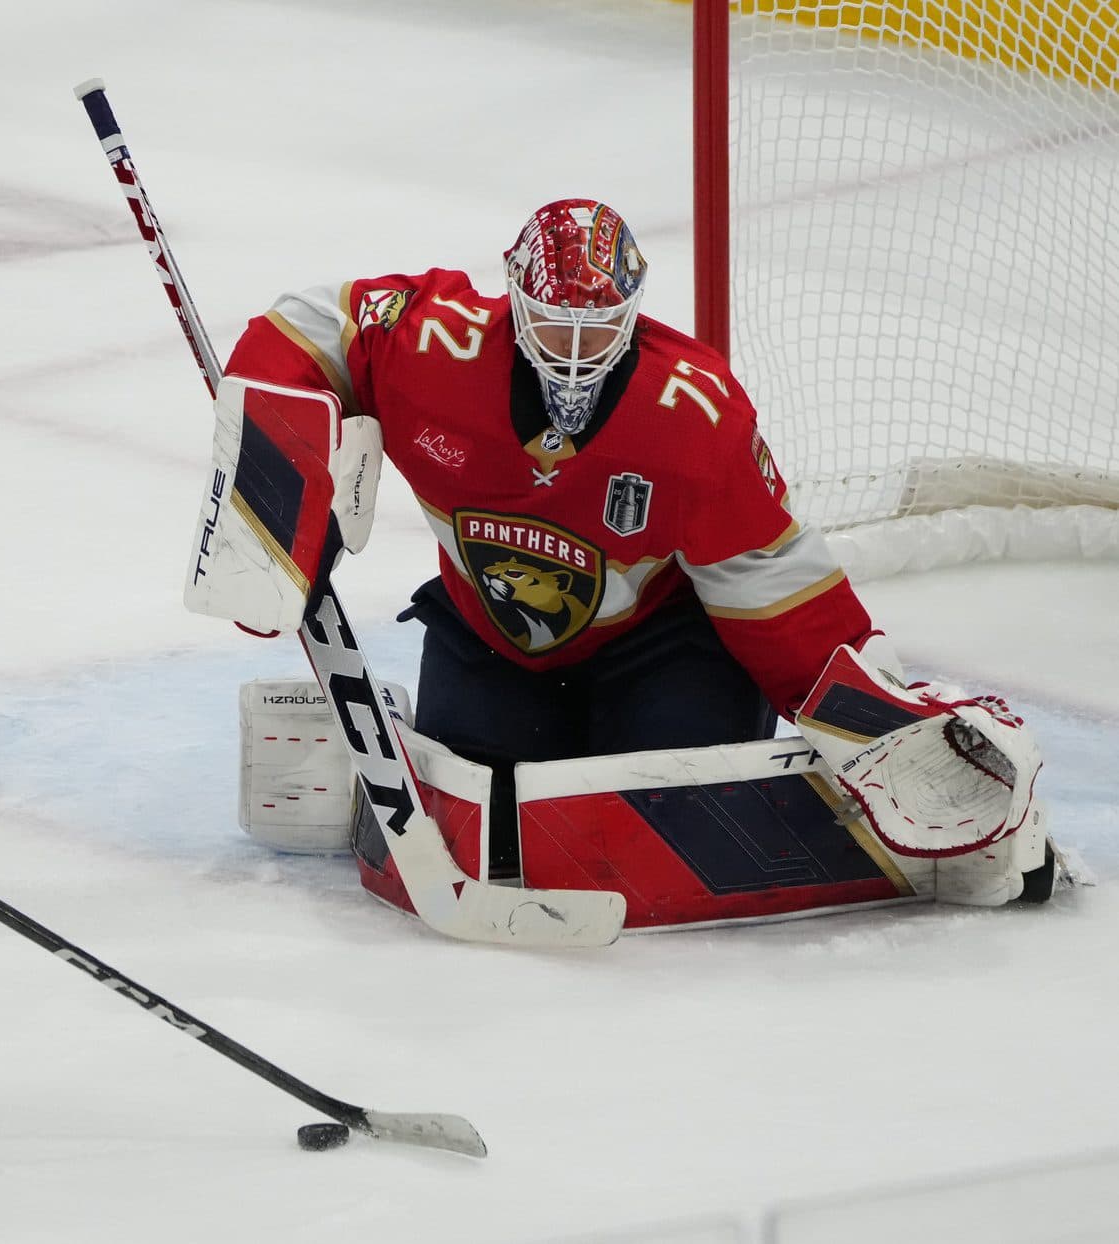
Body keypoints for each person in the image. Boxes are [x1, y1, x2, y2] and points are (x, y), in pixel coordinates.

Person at [205, 198, 1050, 905]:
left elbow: (771, 579)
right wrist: (273, 495)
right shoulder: (433, 345)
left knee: (665, 810)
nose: (575, 353)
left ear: (633, 309)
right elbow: (303, 330)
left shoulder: (692, 410)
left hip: (661, 645)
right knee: (483, 819)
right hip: (491, 638)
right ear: (512, 299)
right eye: (553, 326)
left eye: (597, 328)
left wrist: (870, 720)